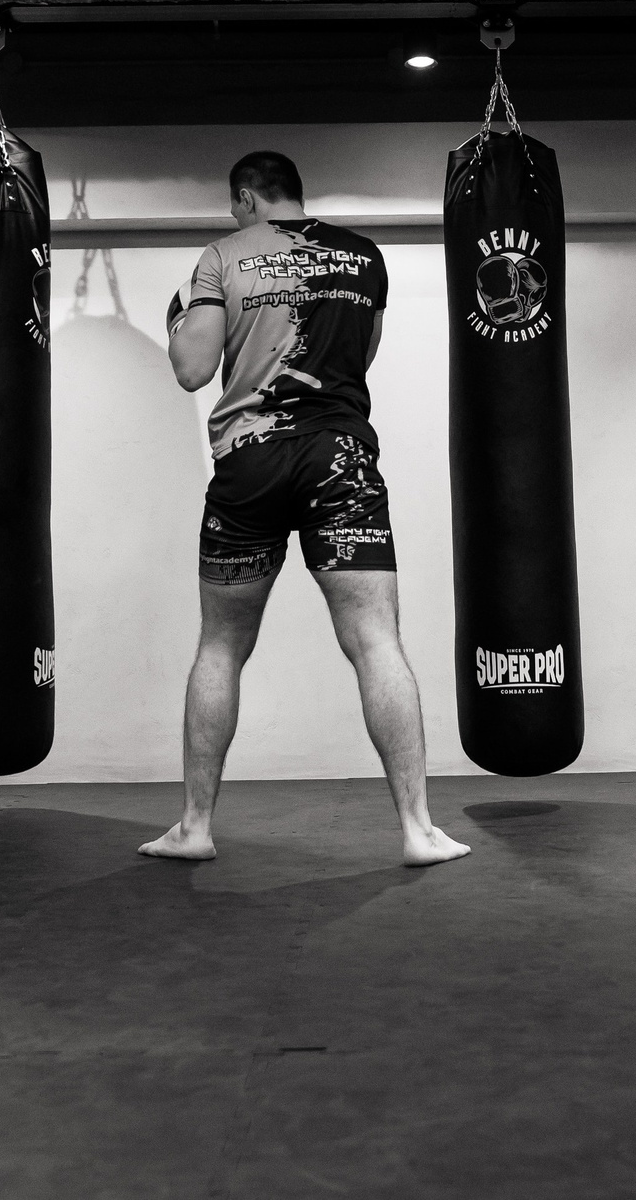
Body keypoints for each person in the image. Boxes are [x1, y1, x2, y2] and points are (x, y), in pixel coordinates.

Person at [140, 151, 470, 868]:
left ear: (245, 197)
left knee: (221, 644)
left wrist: (179, 320)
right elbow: (361, 356)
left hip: (250, 463)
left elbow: (191, 368)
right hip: (339, 456)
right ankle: (417, 829)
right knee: (377, 640)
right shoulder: (363, 257)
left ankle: (195, 826)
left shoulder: (222, 255)